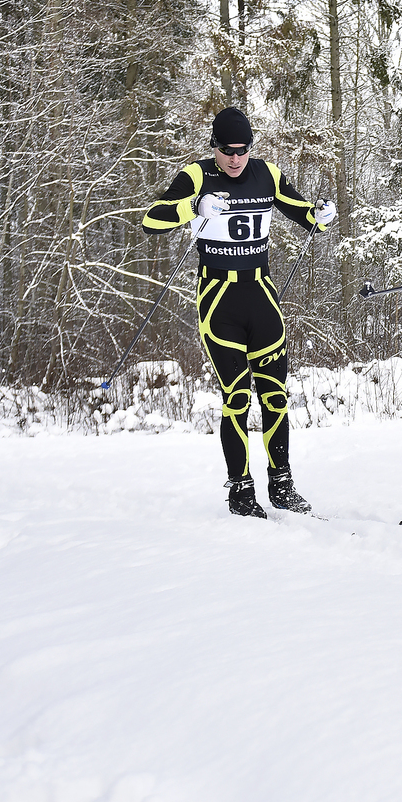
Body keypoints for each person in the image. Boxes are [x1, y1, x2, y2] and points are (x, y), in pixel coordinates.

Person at [141, 106, 335, 517]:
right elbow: (149, 220)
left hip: (261, 295)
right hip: (218, 299)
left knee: (275, 395)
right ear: (215, 147)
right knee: (236, 396)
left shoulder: (266, 173)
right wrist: (192, 209)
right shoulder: (197, 176)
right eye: (227, 151)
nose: (235, 158)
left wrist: (321, 216)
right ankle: (241, 491)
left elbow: (303, 214)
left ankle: (281, 484)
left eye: (242, 150)